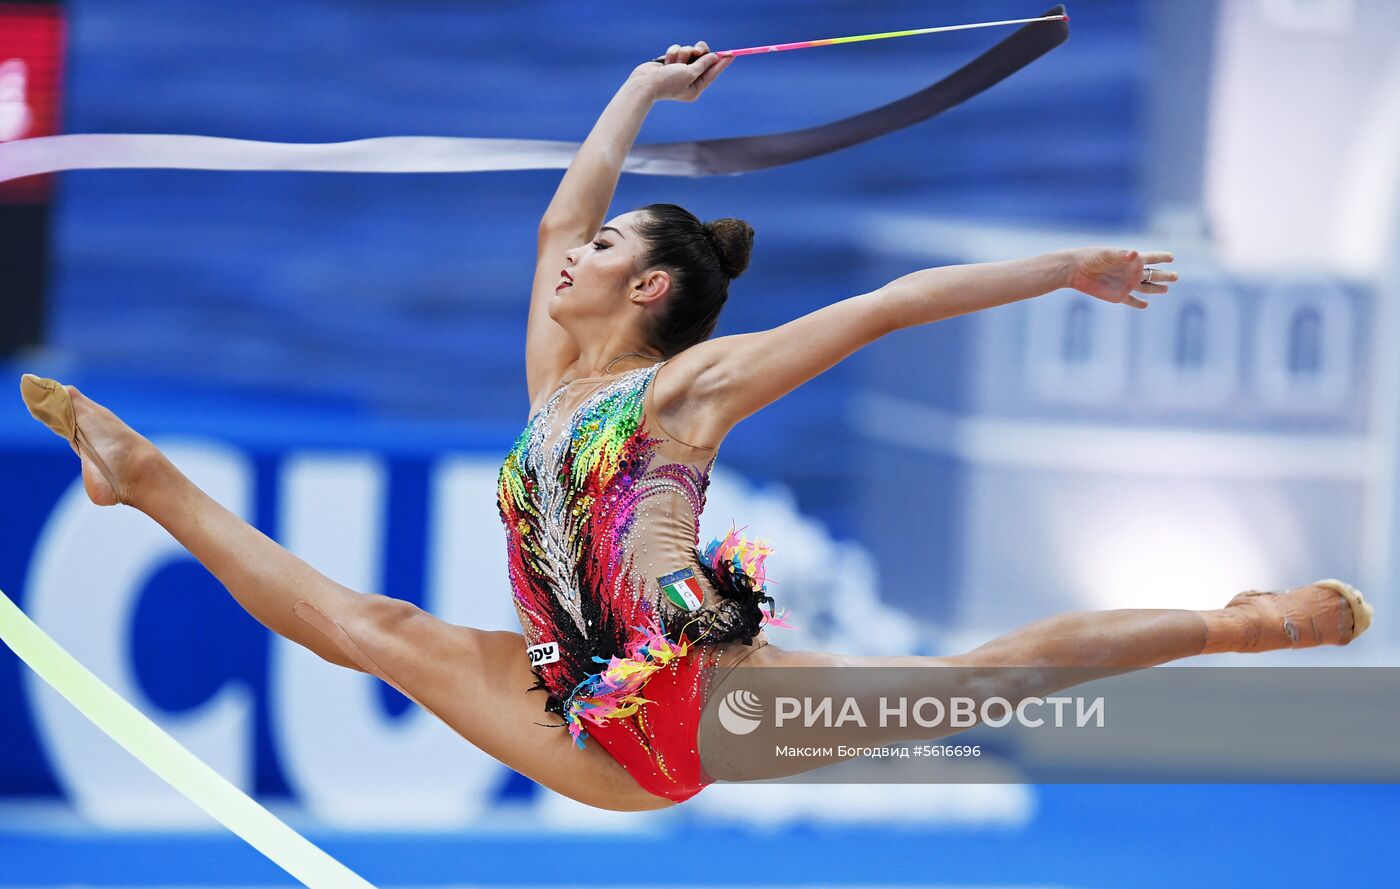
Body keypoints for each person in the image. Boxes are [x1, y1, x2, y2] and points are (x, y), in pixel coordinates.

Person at [19, 41, 1373, 812]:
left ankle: (1238, 623)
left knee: (989, 675)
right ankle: (141, 478)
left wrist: (1061, 267)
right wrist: (637, 93)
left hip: (699, 705)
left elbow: (893, 304)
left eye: (604, 247)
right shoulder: (555, 377)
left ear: (649, 288)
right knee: (374, 627)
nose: (568, 255)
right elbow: (558, 216)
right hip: (568, 708)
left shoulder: (686, 392)